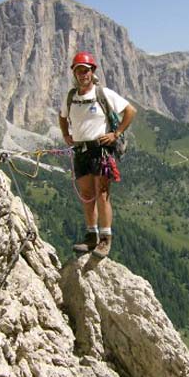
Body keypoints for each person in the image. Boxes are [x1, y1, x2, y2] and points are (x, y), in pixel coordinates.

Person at [59, 51, 137, 258]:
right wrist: (66, 134)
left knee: (102, 194)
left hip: (101, 150)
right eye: (79, 70)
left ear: (92, 72)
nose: (83, 74)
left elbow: (131, 111)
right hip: (81, 150)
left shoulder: (103, 93)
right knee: (86, 194)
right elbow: (62, 116)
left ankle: (105, 239)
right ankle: (91, 236)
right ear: (74, 73)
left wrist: (116, 133)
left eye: (86, 70)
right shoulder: (70, 97)